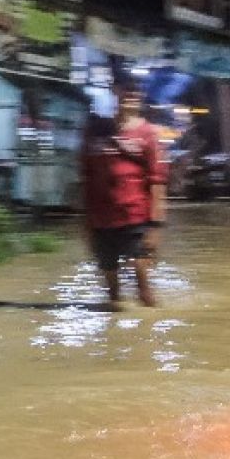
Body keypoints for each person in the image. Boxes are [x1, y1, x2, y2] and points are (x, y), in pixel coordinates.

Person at [81, 78, 168, 307]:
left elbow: (157, 183)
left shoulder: (148, 134)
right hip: (101, 220)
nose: (131, 93)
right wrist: (86, 224)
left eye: (136, 90)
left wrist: (156, 227)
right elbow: (86, 178)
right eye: (126, 89)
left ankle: (150, 326)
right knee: (112, 291)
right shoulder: (96, 131)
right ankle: (115, 328)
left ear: (140, 96)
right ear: (115, 92)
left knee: (144, 286)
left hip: (136, 216)